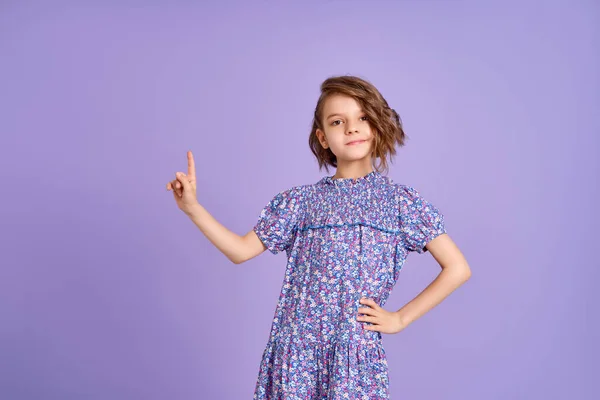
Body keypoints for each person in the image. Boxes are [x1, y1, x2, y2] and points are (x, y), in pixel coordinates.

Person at [166, 75, 471, 399]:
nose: (351, 128)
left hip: (353, 354)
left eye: (363, 117)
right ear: (323, 137)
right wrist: (193, 208)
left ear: (378, 125)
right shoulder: (299, 202)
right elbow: (240, 250)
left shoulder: (400, 202)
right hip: (295, 351)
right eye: (338, 121)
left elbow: (457, 268)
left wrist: (400, 318)